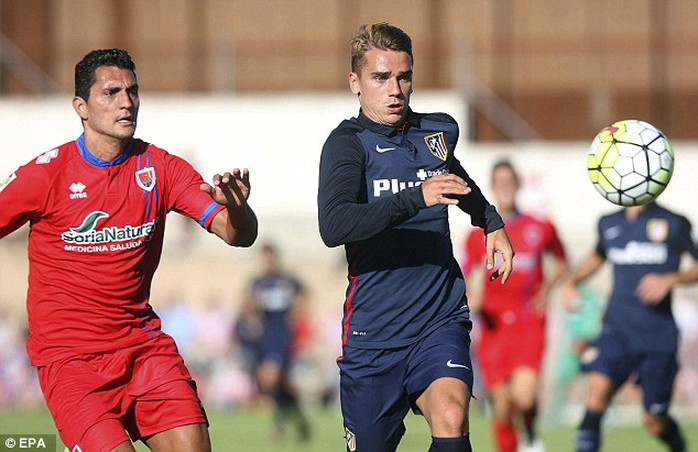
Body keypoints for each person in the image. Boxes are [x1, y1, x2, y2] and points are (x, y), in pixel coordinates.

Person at [0, 49, 257, 452]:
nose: (126, 102)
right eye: (112, 92)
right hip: (72, 364)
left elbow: (236, 234)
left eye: (132, 91)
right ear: (80, 107)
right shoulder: (46, 175)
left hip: (143, 350)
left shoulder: (160, 168)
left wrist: (240, 210)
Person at [317, 23, 515, 452]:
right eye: (381, 77)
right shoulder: (347, 145)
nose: (396, 89)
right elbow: (334, 226)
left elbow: (455, 178)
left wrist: (491, 222)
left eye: (404, 77)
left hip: (438, 316)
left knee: (451, 414)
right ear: (355, 82)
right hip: (375, 332)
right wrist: (414, 199)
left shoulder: (436, 133)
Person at [564, 202, 698, 452]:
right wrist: (571, 282)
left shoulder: (674, 221)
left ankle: (679, 447)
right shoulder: (609, 223)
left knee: (654, 421)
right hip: (617, 330)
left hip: (658, 337)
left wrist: (672, 278)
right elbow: (598, 255)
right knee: (596, 394)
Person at [461, 160, 568, 452]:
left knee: (525, 397)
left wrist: (548, 288)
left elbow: (561, 261)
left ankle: (531, 432)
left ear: (518, 185)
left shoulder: (540, 227)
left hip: (528, 322)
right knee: (503, 407)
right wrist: (473, 301)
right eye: (500, 181)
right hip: (493, 327)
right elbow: (468, 278)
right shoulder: (475, 236)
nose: (505, 186)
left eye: (510, 180)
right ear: (492, 187)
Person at [240, 243, 311, 441]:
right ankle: (299, 418)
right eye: (264, 258)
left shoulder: (286, 279)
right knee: (279, 385)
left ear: (275, 258)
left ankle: (279, 427)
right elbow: (246, 307)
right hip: (266, 336)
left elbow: (304, 295)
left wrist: (297, 314)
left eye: (270, 258)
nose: (267, 262)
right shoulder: (257, 282)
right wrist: (253, 306)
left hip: (283, 337)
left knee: (270, 378)